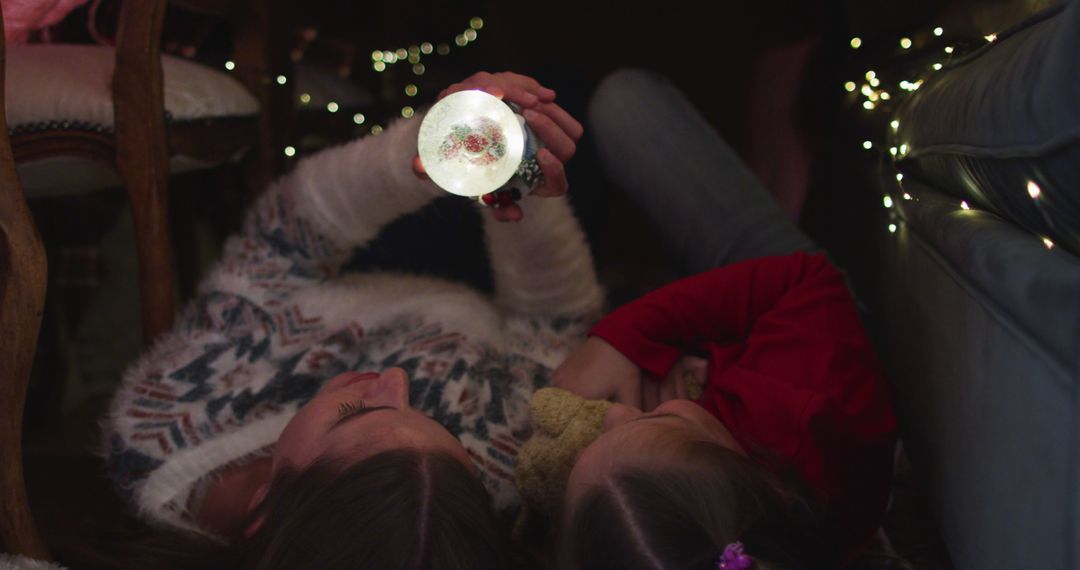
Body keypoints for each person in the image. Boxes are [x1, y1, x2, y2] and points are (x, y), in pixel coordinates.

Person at [101, 71, 602, 569]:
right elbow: (554, 320)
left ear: (263, 511)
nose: (395, 381)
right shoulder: (477, 484)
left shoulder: (160, 427)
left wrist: (425, 150)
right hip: (514, 281)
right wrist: (514, 179)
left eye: (354, 414)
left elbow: (282, 241)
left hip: (356, 257)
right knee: (580, 98)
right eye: (429, 419)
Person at [550, 69, 897, 569]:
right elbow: (805, 279)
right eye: (658, 417)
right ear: (762, 478)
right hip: (798, 305)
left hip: (733, 355)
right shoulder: (813, 399)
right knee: (624, 99)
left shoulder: (714, 529)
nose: (613, 413)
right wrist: (624, 336)